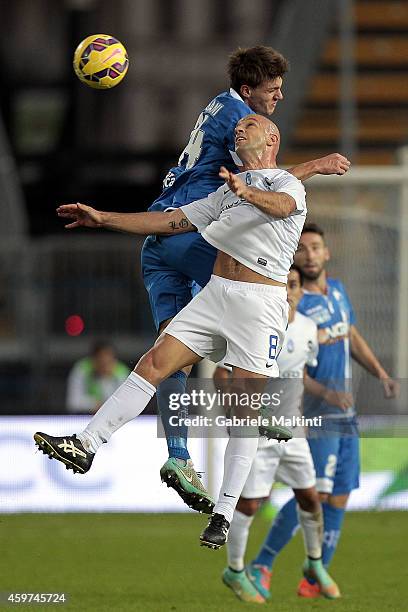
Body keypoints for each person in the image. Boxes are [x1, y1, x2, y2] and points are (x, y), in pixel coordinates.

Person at [34, 113, 308, 549]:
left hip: (259, 307)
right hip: (217, 294)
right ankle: (85, 443)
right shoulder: (225, 192)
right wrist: (103, 218)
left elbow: (281, 208)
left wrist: (247, 190)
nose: (240, 129)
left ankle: (223, 514)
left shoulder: (286, 185)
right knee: (154, 362)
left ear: (272, 137)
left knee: (244, 413)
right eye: (239, 127)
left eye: (250, 125)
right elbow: (169, 221)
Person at [139, 45, 351, 513]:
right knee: (264, 286)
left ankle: (178, 456)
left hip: (159, 238)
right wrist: (314, 166)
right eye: (272, 91)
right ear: (249, 89)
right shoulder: (243, 123)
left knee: (173, 349)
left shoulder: (216, 104)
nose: (277, 100)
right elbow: (261, 188)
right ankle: (263, 403)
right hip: (193, 229)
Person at [251, 223, 399, 598]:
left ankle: (315, 578)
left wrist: (380, 372)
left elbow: (351, 335)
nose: (310, 254)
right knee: (312, 494)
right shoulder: (296, 307)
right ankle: (261, 564)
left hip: (345, 416)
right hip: (316, 413)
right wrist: (328, 396)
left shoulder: (339, 292)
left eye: (316, 247)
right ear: (294, 257)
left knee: (340, 496)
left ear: (327, 253)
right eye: (302, 249)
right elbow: (295, 370)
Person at [214, 266, 339, 603]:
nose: (288, 290)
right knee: (251, 504)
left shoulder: (309, 328)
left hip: (293, 430)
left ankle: (314, 564)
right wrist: (234, 409)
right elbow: (221, 374)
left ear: (301, 291)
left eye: (294, 285)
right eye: (283, 283)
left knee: (311, 498)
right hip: (257, 433)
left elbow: (298, 375)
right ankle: (235, 570)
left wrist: (328, 395)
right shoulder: (255, 325)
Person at [66, 341, 130, 414]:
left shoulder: (121, 372)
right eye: (101, 361)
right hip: (85, 416)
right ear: (93, 359)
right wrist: (95, 405)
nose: (104, 366)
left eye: (108, 362)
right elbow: (73, 402)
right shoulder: (82, 369)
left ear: (114, 360)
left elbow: (127, 404)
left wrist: (107, 380)